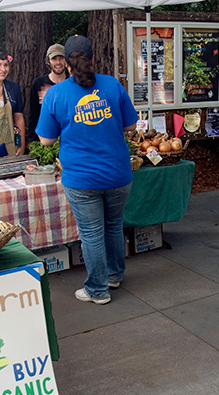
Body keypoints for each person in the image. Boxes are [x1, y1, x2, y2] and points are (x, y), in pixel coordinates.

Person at [36, 35, 138, 305]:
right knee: (114, 226)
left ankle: (97, 289)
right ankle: (114, 276)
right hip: (118, 173)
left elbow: (45, 140)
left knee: (92, 233)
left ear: (66, 64)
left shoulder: (55, 94)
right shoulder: (113, 85)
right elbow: (131, 127)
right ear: (93, 58)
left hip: (81, 179)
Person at [27, 44, 68, 144]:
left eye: (61, 58)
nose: (58, 62)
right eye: (54, 59)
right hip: (44, 140)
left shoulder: (72, 83)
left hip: (68, 141)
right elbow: (33, 115)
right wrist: (32, 142)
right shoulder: (38, 84)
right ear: (48, 61)